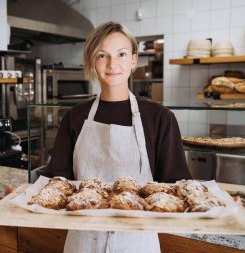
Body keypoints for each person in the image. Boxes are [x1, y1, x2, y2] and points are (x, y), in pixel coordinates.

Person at [35, 21, 192, 253]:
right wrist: (22, 194)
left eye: (121, 54)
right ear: (91, 60)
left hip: (137, 243)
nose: (112, 64)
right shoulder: (74, 117)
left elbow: (176, 186)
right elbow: (57, 180)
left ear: (133, 60)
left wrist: (215, 206)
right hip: (82, 242)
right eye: (102, 55)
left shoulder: (160, 118)